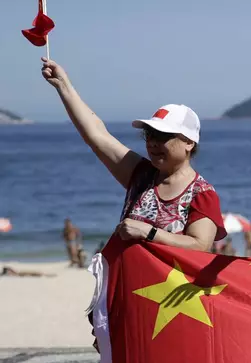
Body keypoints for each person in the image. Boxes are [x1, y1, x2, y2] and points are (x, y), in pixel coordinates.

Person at [42, 58, 227, 252]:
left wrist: (150, 232)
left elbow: (200, 246)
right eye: (149, 135)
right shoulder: (142, 175)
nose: (153, 142)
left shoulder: (201, 193)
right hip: (127, 282)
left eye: (164, 136)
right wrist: (63, 85)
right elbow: (97, 135)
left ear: (189, 142)